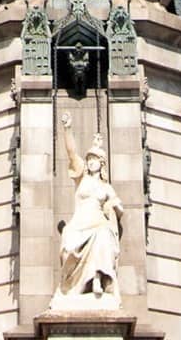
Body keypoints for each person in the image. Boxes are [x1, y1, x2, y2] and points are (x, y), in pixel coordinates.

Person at [51, 113, 123, 308]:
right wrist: (67, 129)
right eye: (89, 158)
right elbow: (72, 153)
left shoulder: (107, 188)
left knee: (103, 236)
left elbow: (120, 209)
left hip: (98, 223)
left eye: (95, 159)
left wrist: (112, 206)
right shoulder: (81, 178)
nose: (90, 162)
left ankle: (97, 278)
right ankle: (72, 287)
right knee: (68, 246)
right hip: (79, 224)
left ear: (102, 164)